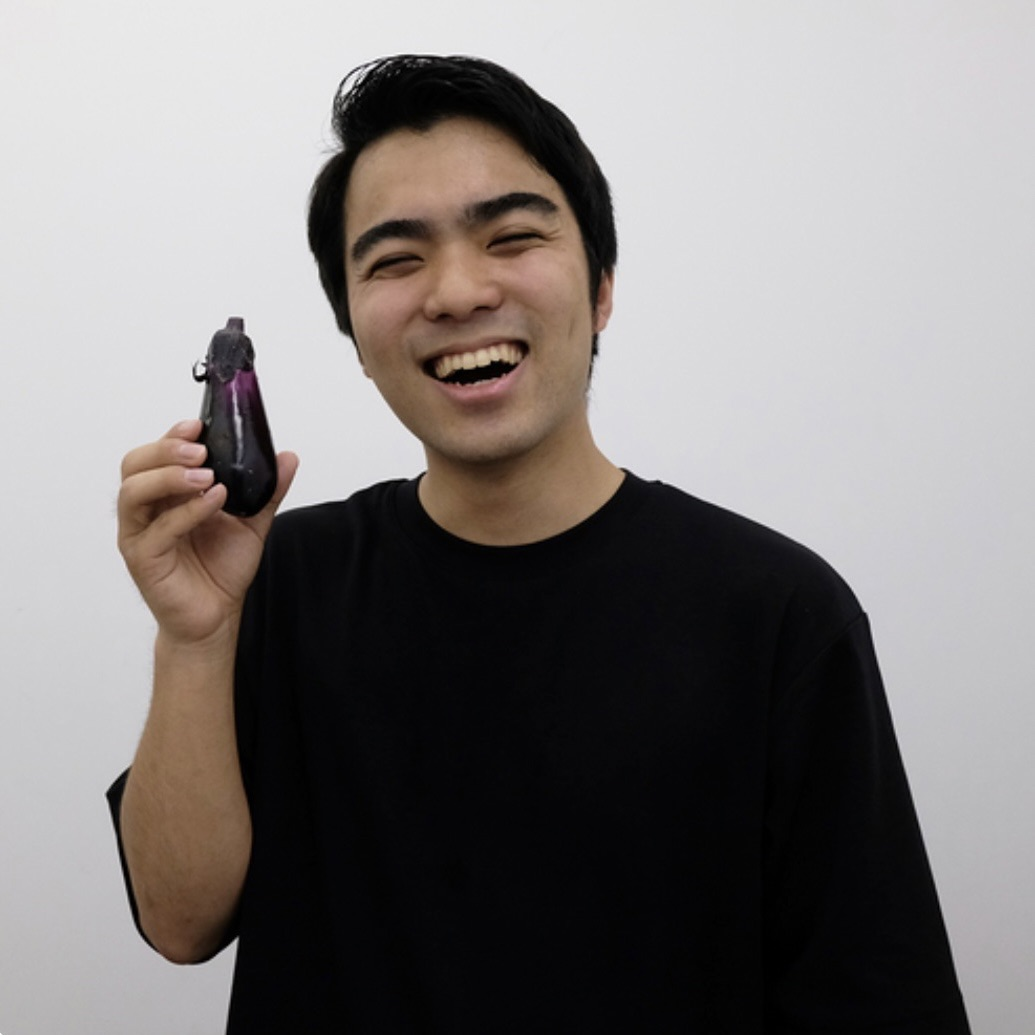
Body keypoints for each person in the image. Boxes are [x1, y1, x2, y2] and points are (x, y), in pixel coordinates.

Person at [109, 54, 971, 1033]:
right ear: (354, 335)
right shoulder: (280, 578)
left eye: (511, 237)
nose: (457, 291)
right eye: (396, 260)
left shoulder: (775, 612)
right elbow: (180, 921)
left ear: (601, 288)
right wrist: (193, 637)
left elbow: (876, 998)